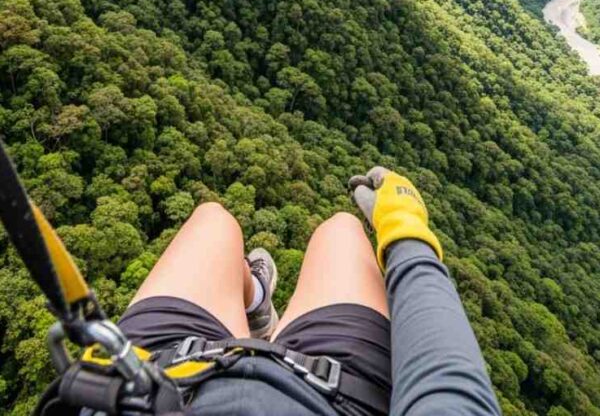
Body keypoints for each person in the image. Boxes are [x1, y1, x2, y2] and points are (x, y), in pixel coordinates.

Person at [117, 167, 501, 415]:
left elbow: (454, 390)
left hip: (155, 376)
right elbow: (452, 391)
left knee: (213, 222)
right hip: (336, 393)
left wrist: (407, 238)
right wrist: (406, 233)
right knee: (341, 231)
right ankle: (255, 308)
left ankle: (256, 303)